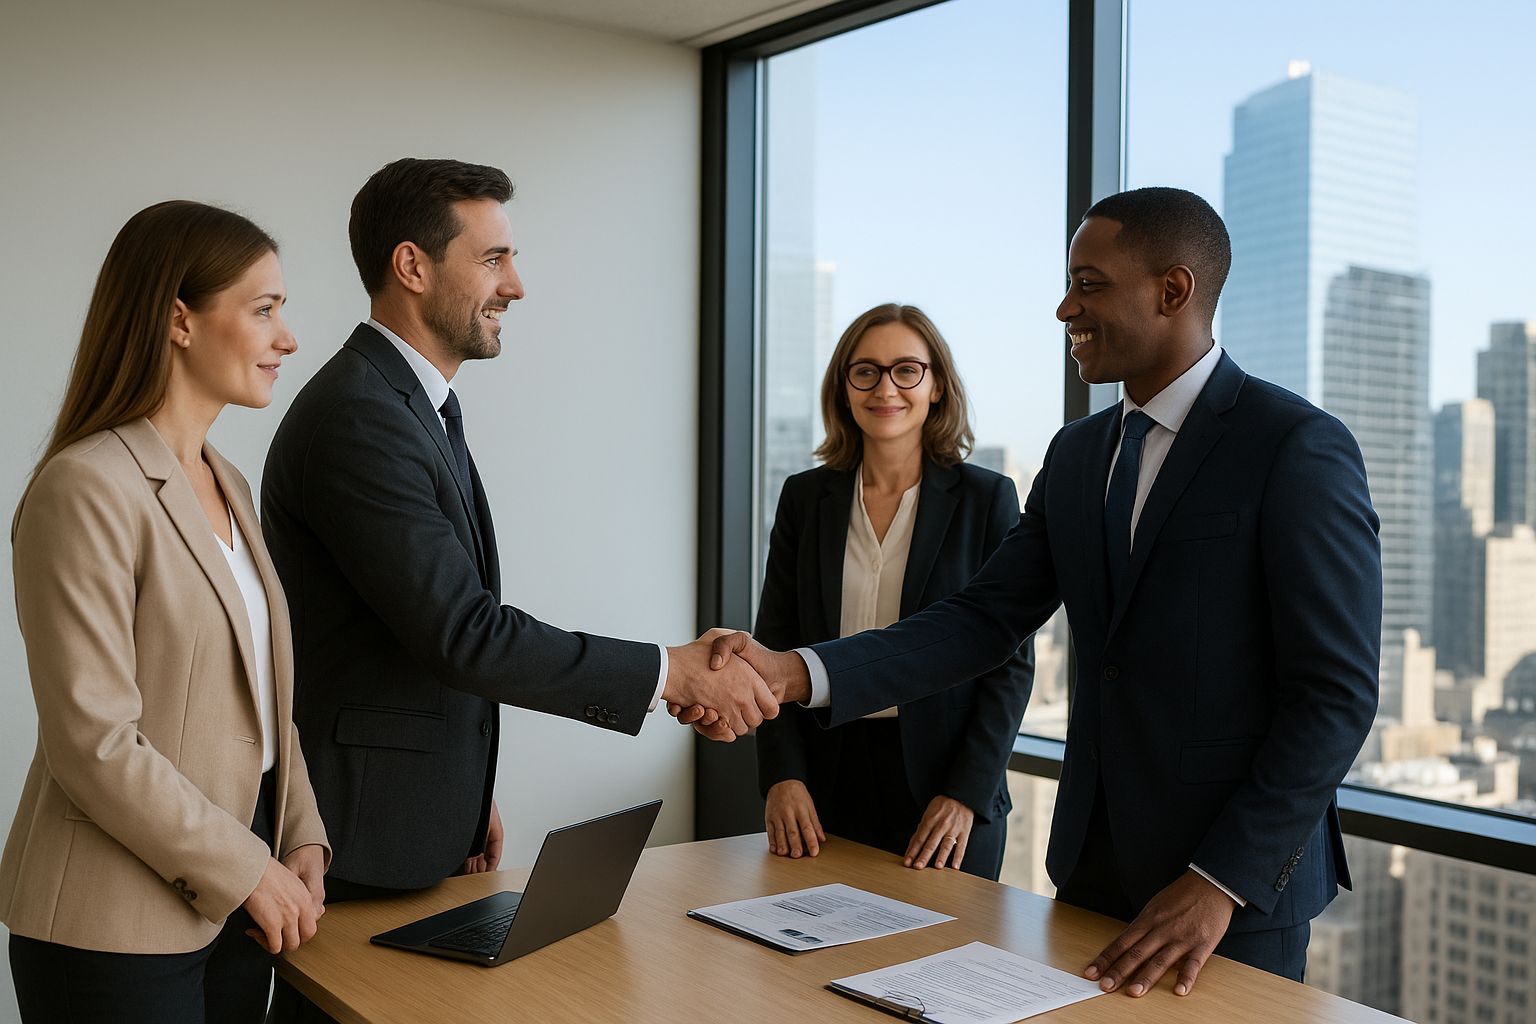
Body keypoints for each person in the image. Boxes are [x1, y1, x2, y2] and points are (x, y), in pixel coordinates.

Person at [700, 187, 1381, 995]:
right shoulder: (1080, 452)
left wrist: (1219, 881)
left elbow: (1335, 695)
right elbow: (980, 621)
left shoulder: (1295, 446)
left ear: (1172, 291)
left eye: (1089, 284)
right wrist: (791, 673)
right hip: (1092, 871)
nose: (1065, 308)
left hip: (1229, 903)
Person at [260, 157, 773, 900]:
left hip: (409, 820)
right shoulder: (361, 418)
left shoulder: (407, 407)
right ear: (412, 266)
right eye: (493, 259)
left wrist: (462, 793)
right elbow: (464, 633)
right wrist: (671, 671)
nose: (515, 285)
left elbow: (409, 634)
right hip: (355, 839)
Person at [1, 201, 331, 1023]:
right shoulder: (86, 487)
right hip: (111, 930)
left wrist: (303, 836)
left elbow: (265, 701)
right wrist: (249, 868)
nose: (287, 338)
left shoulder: (231, 485)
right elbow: (94, 741)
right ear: (179, 320)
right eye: (264, 310)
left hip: (233, 910)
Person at [753, 303, 1032, 879]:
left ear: (936, 387)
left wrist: (966, 792)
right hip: (824, 785)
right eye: (866, 371)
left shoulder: (988, 500)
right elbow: (773, 646)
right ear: (845, 388)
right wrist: (783, 776)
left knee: (944, 967)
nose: (886, 388)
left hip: (946, 793)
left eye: (907, 370)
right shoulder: (805, 500)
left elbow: (1009, 663)